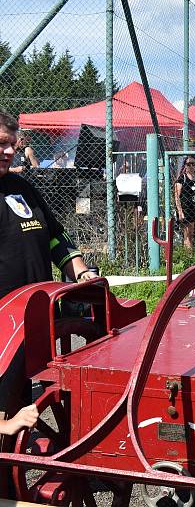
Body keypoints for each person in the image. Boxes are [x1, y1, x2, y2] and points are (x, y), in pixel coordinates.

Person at [0, 111, 97, 463]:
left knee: (20, 388)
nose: (8, 151)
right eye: (1, 144)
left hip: (32, 315)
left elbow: (56, 238)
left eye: (12, 144)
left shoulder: (23, 188)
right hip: (2, 322)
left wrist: (81, 273)